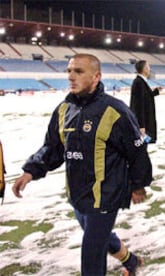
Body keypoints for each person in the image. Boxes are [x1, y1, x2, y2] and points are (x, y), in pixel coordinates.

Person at [12, 53, 152, 276]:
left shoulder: (115, 111)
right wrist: (30, 172)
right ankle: (132, 261)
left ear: (96, 76)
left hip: (106, 194)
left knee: (92, 255)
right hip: (78, 194)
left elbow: (136, 152)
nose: (71, 76)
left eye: (78, 71)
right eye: (69, 71)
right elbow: (52, 148)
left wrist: (138, 185)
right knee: (98, 236)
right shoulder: (63, 110)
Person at [129, 60, 160, 144]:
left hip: (144, 122)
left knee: (145, 144)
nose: (149, 69)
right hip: (143, 123)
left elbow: (145, 98)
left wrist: (155, 92)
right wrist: (141, 126)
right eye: (148, 67)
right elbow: (138, 105)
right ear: (144, 69)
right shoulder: (139, 82)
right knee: (142, 145)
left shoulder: (141, 81)